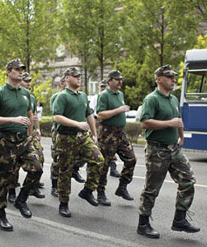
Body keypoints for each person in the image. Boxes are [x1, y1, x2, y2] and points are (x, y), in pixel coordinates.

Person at [137, 65, 200, 239]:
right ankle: (143, 224)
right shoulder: (151, 99)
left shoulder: (172, 99)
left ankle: (179, 219)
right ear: (159, 79)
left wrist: (181, 137)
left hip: (174, 148)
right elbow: (145, 122)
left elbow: (177, 120)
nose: (173, 80)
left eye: (174, 77)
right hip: (157, 150)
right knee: (152, 188)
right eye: (169, 77)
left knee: (188, 181)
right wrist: (169, 124)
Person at [0, 58, 43, 231]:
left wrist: (31, 134)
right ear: (9, 72)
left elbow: (30, 115)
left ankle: (21, 199)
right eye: (17, 69)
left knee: (37, 169)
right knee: (4, 179)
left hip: (23, 140)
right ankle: (0, 215)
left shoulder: (26, 94)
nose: (20, 72)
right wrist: (12, 119)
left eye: (22, 69)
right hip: (6, 140)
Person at [52, 66, 104, 218]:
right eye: (75, 76)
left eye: (80, 76)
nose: (79, 78)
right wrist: (76, 123)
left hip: (82, 137)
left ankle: (87, 191)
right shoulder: (62, 96)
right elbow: (57, 117)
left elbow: (89, 116)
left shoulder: (82, 96)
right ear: (67, 78)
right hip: (65, 137)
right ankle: (64, 203)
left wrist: (95, 135)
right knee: (65, 171)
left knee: (98, 159)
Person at [95, 70, 136, 206]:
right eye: (117, 79)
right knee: (104, 165)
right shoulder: (104, 95)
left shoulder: (120, 94)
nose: (120, 82)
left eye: (121, 79)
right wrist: (118, 110)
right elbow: (100, 114)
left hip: (121, 133)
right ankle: (100, 193)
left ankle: (122, 187)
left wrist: (123, 110)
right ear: (109, 81)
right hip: (108, 134)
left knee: (131, 159)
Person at [19, 72, 45, 199]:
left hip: (31, 133)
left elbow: (34, 115)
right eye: (26, 81)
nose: (29, 84)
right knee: (13, 166)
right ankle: (12, 191)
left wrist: (38, 129)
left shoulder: (32, 97)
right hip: (18, 132)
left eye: (30, 81)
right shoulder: (16, 96)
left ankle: (33, 187)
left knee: (39, 158)